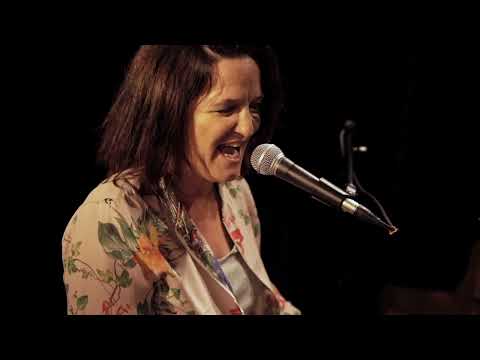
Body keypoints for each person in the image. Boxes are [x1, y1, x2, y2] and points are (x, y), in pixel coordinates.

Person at [62, 45, 301, 315]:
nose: (248, 127)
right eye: (227, 109)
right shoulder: (111, 219)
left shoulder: (235, 192)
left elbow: (265, 305)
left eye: (254, 106)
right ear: (169, 113)